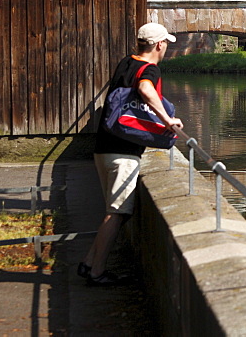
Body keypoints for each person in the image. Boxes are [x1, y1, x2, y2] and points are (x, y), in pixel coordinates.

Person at [78, 22, 182, 287]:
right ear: (160, 45)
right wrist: (168, 120)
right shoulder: (150, 69)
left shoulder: (127, 62)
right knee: (117, 213)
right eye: (166, 44)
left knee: (114, 211)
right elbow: (146, 91)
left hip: (104, 147)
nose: (166, 48)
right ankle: (97, 272)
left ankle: (89, 263)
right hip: (123, 153)